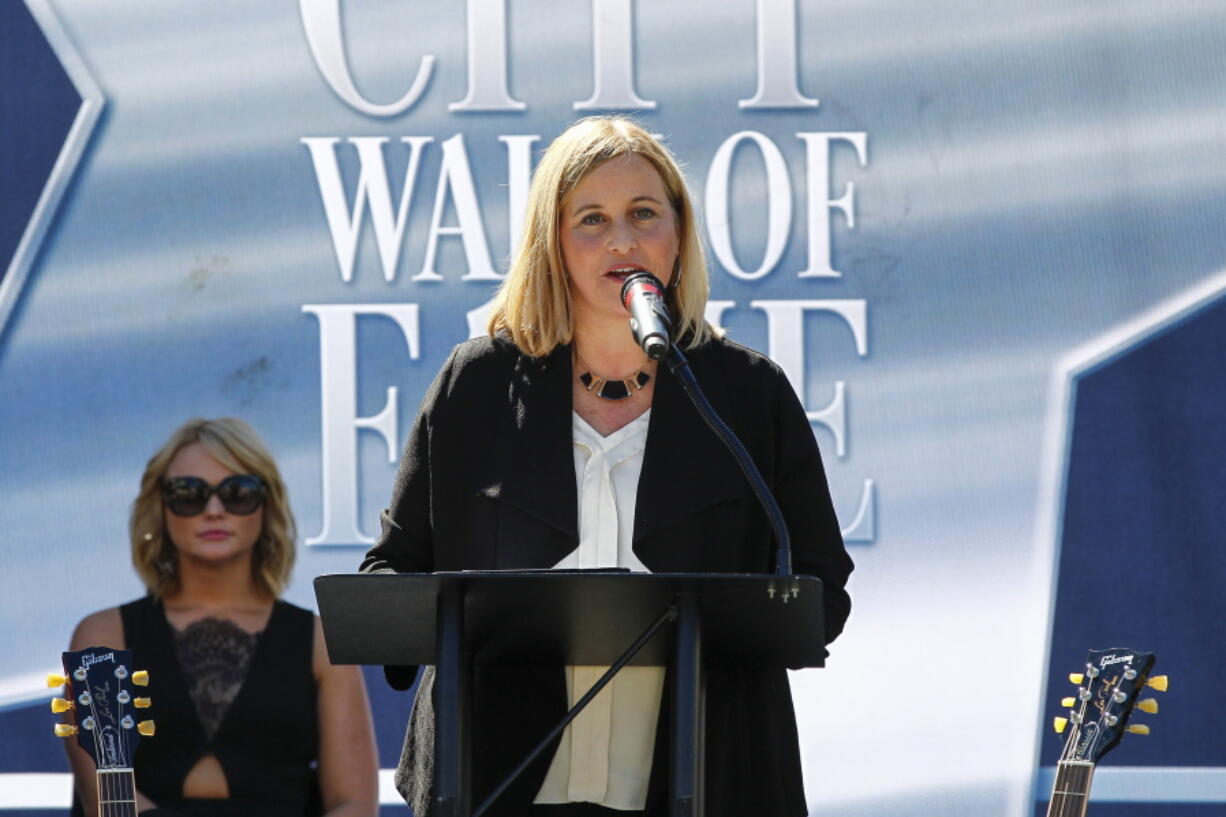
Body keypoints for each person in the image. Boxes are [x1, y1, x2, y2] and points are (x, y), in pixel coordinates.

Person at [361, 116, 854, 817]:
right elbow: (394, 571)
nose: (622, 239)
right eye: (591, 218)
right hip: (496, 785)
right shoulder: (477, 385)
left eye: (644, 213)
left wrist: (750, 617)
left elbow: (819, 583)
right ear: (552, 244)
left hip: (702, 782)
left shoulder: (746, 395)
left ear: (678, 236)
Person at [66, 418, 379, 817]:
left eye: (237, 493)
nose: (214, 510)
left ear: (267, 506)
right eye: (188, 493)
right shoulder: (102, 637)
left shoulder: (321, 641)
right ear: (159, 508)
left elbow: (354, 805)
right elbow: (108, 800)